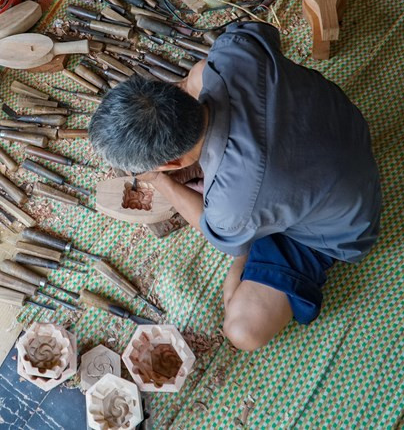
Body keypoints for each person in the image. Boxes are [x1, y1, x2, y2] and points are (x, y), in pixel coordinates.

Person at [89, 21, 381, 351]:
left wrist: (158, 180)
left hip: (344, 222)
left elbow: (215, 230)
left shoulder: (232, 206)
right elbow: (262, 31)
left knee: (242, 329)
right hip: (341, 128)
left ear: (171, 164)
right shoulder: (232, 52)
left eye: (160, 168)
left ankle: (262, 237)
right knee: (201, 72)